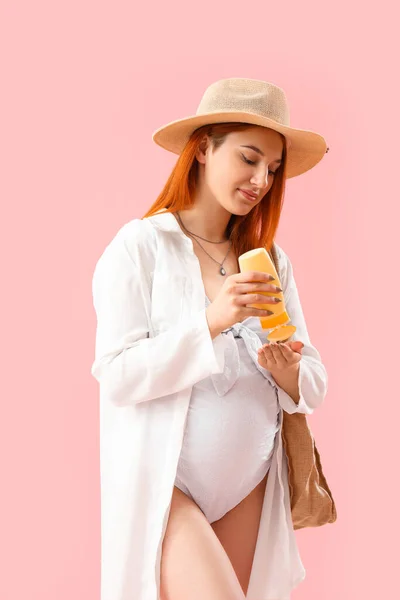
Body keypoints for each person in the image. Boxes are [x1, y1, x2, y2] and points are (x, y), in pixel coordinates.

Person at [91, 77, 330, 600]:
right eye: (249, 158)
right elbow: (117, 375)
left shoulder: (274, 260)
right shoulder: (140, 247)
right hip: (167, 483)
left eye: (272, 167)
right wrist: (212, 321)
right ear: (202, 148)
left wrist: (286, 369)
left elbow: (311, 379)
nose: (261, 179)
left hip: (251, 482)